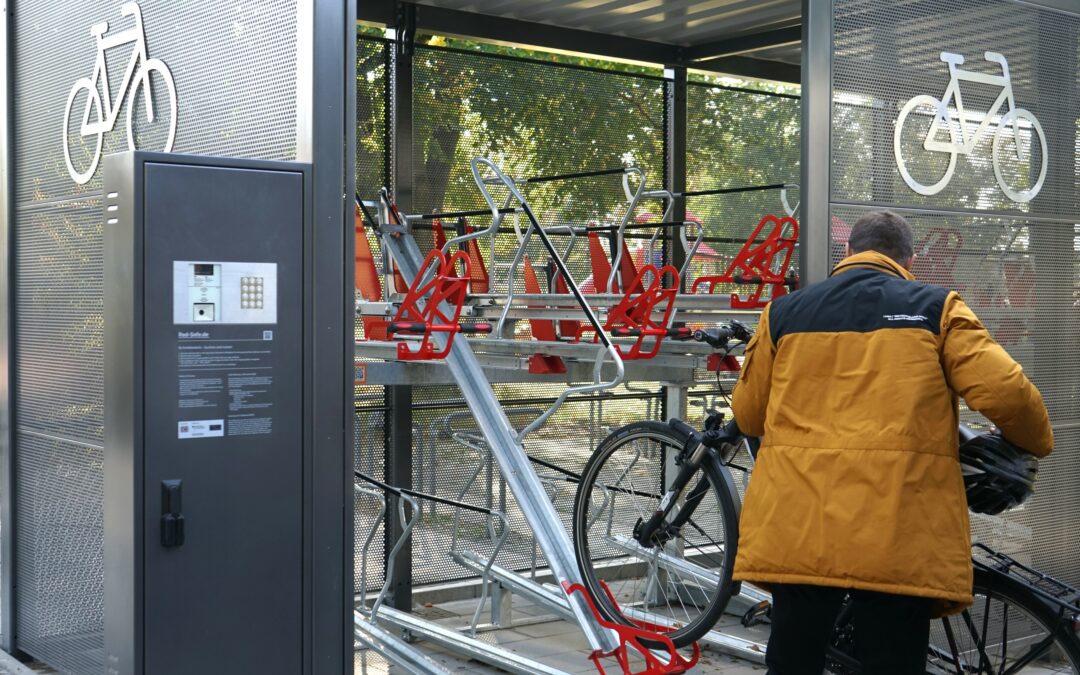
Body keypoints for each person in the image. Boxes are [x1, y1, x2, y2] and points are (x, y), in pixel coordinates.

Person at [730, 210, 1054, 674]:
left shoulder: (783, 313)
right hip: (897, 525)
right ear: (910, 259)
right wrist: (1035, 443)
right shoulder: (936, 309)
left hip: (800, 525)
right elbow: (1006, 393)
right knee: (893, 660)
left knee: (793, 658)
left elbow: (748, 414)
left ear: (848, 252)